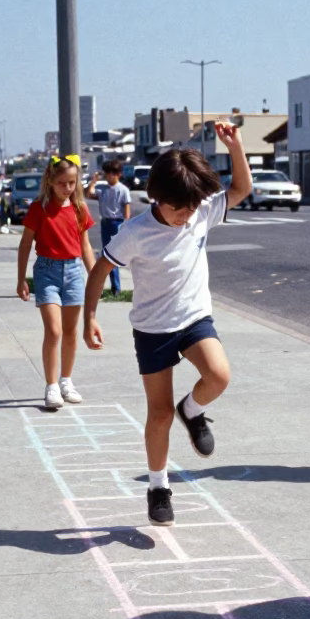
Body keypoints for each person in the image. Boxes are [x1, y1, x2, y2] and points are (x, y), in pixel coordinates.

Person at [82, 125, 252, 526]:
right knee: (158, 415)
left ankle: (192, 411)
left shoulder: (199, 210)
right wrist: (90, 315)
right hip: (152, 329)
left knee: (219, 375)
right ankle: (158, 486)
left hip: (194, 320)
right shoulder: (136, 232)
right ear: (158, 197)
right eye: (180, 210)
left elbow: (241, 189)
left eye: (192, 209)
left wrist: (236, 147)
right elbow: (100, 267)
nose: (187, 216)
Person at [16, 154, 96, 409]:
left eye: (71, 183)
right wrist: (21, 279)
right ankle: (51, 386)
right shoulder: (38, 208)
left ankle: (66, 381)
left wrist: (94, 276)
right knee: (54, 331)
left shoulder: (79, 209)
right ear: (50, 181)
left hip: (73, 272)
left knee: (71, 333)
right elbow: (26, 243)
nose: (67, 188)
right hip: (46, 271)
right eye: (62, 183)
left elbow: (85, 246)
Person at [85, 160, 132, 294]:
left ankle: (116, 287)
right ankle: (113, 286)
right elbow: (89, 194)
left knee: (114, 255)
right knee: (107, 255)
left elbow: (126, 207)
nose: (110, 176)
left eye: (113, 174)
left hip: (116, 222)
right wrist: (93, 181)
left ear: (119, 175)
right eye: (107, 174)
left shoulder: (122, 189)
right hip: (105, 223)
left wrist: (126, 224)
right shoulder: (103, 190)